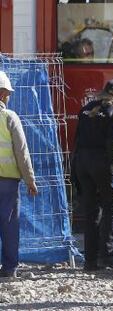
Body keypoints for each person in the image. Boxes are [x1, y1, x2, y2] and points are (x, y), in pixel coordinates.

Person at [73, 79, 113, 271]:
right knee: (112, 206)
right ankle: (107, 254)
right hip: (102, 163)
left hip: (83, 162)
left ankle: (90, 260)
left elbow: (77, 138)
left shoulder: (86, 108)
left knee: (91, 211)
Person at [0, 71, 38, 278]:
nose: (9, 97)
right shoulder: (9, 117)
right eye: (8, 93)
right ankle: (9, 268)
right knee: (9, 225)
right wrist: (30, 180)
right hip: (7, 181)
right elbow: (21, 152)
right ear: (2, 93)